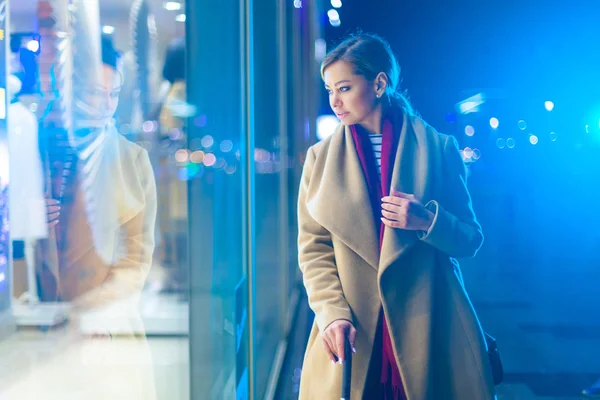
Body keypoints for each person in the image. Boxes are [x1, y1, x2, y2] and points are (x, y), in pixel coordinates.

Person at [297, 33, 496, 399]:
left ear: (379, 84)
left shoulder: (439, 148)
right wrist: (331, 313)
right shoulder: (319, 159)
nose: (334, 102)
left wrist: (426, 221)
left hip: (430, 324)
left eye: (344, 87)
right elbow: (313, 250)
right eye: (329, 90)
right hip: (353, 330)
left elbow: (470, 238)